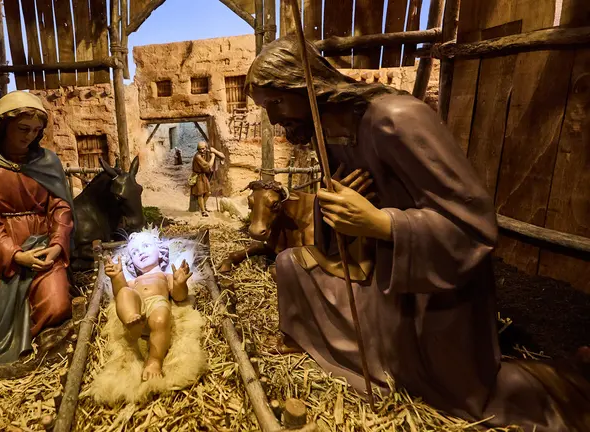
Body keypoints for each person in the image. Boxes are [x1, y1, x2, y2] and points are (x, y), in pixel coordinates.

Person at [245, 35, 590, 431]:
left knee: (471, 401)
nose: (273, 120)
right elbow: (340, 221)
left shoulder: (397, 120)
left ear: (304, 86)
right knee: (291, 266)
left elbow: (474, 224)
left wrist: (380, 223)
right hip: (377, 277)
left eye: (276, 103)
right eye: (264, 108)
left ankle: (571, 383)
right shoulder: (329, 136)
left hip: (430, 291)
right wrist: (332, 207)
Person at [0, 91, 74, 363]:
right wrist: (14, 254)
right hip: (1, 251)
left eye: (35, 130)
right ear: (3, 125)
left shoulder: (47, 162)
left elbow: (61, 207)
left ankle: (31, 333)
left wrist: (56, 245)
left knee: (57, 307)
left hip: (42, 245)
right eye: (22, 129)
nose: (29, 136)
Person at [104, 230, 191, 380]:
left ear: (160, 251)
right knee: (125, 292)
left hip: (157, 304)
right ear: (131, 261)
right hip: (137, 309)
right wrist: (117, 277)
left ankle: (154, 361)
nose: (141, 252)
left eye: (146, 246)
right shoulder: (134, 281)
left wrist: (179, 284)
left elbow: (179, 297)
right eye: (135, 252)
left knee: (160, 318)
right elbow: (119, 294)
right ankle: (132, 321)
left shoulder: (165, 275)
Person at [190, 141, 225, 216]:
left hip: (204, 176)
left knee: (208, 193)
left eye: (203, 149)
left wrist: (214, 151)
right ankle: (203, 211)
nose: (202, 151)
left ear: (206, 148)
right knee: (200, 194)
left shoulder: (206, 151)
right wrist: (213, 157)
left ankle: (201, 206)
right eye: (200, 149)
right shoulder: (198, 156)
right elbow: (208, 166)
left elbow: (222, 156)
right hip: (198, 176)